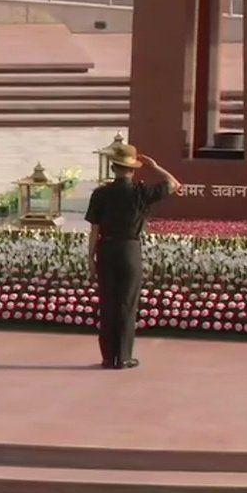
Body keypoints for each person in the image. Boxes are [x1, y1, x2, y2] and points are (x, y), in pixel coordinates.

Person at [85, 143, 181, 369]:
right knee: (127, 304)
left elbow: (94, 230)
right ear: (133, 170)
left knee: (108, 303)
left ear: (113, 167)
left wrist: (90, 258)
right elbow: (175, 184)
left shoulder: (100, 193)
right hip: (130, 250)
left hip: (106, 249)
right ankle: (125, 357)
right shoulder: (141, 192)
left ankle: (108, 357)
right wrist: (156, 167)